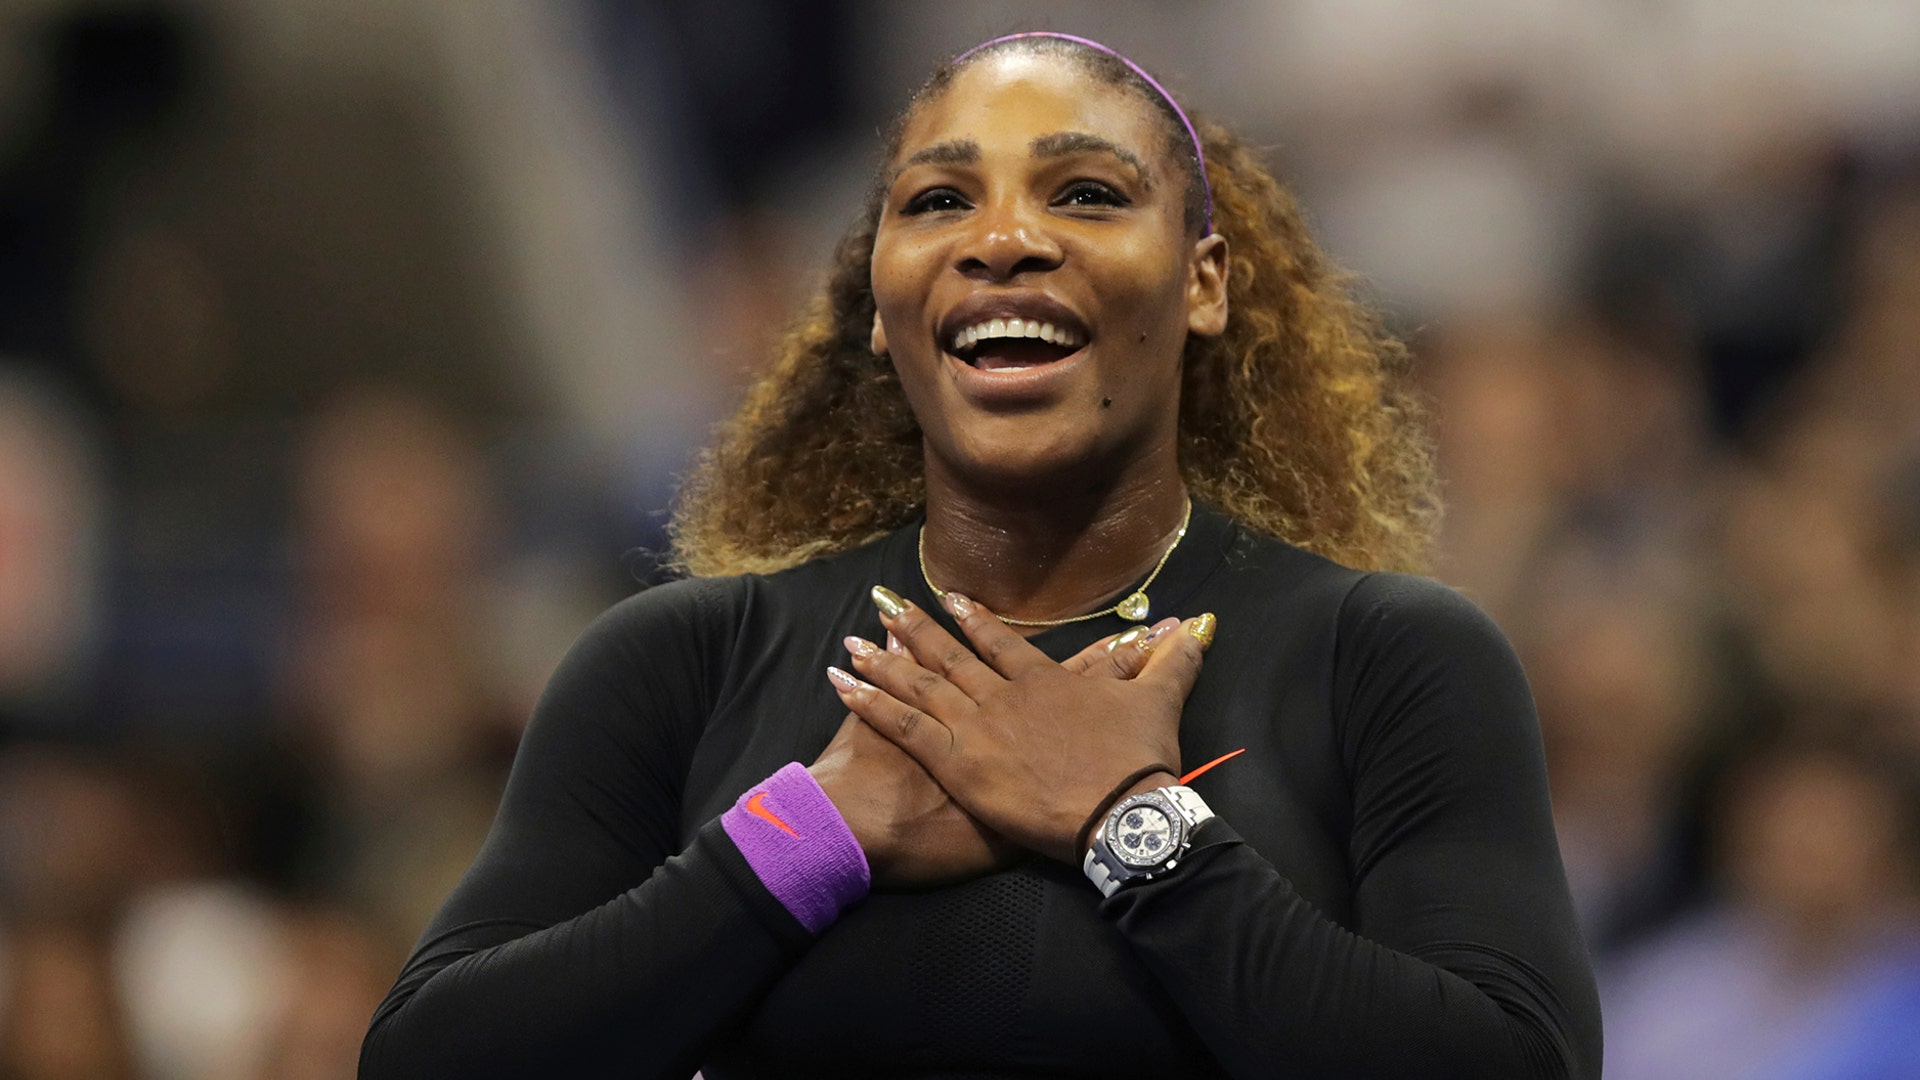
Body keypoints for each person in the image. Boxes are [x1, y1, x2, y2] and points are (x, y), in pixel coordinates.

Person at [360, 32, 1602, 1078]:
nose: (1003, 240)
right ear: (882, 298)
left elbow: (1516, 1062)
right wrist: (808, 840)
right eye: (941, 201)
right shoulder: (682, 660)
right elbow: (432, 1057)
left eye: (1088, 194)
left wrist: (1130, 822)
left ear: (1205, 282)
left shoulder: (1387, 660)